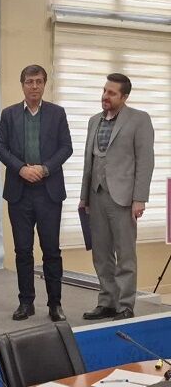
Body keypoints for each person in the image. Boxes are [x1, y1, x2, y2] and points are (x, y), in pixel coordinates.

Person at [0, 64, 72, 322]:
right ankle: (26, 302)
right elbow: (0, 148)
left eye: (39, 81)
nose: (34, 86)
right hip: (19, 193)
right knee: (23, 251)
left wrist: (45, 168)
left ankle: (55, 304)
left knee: (51, 251)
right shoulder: (9, 114)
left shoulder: (57, 113)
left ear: (44, 84)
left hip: (49, 193)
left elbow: (66, 148)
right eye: (30, 81)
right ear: (23, 85)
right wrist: (21, 169)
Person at [80, 73, 154, 321]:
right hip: (96, 195)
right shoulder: (94, 121)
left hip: (123, 198)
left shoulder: (139, 120)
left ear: (124, 97)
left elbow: (145, 162)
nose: (105, 96)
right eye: (104, 91)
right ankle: (107, 302)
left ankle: (125, 305)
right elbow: (89, 162)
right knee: (101, 254)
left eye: (111, 93)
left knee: (125, 255)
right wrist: (84, 197)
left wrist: (139, 198)